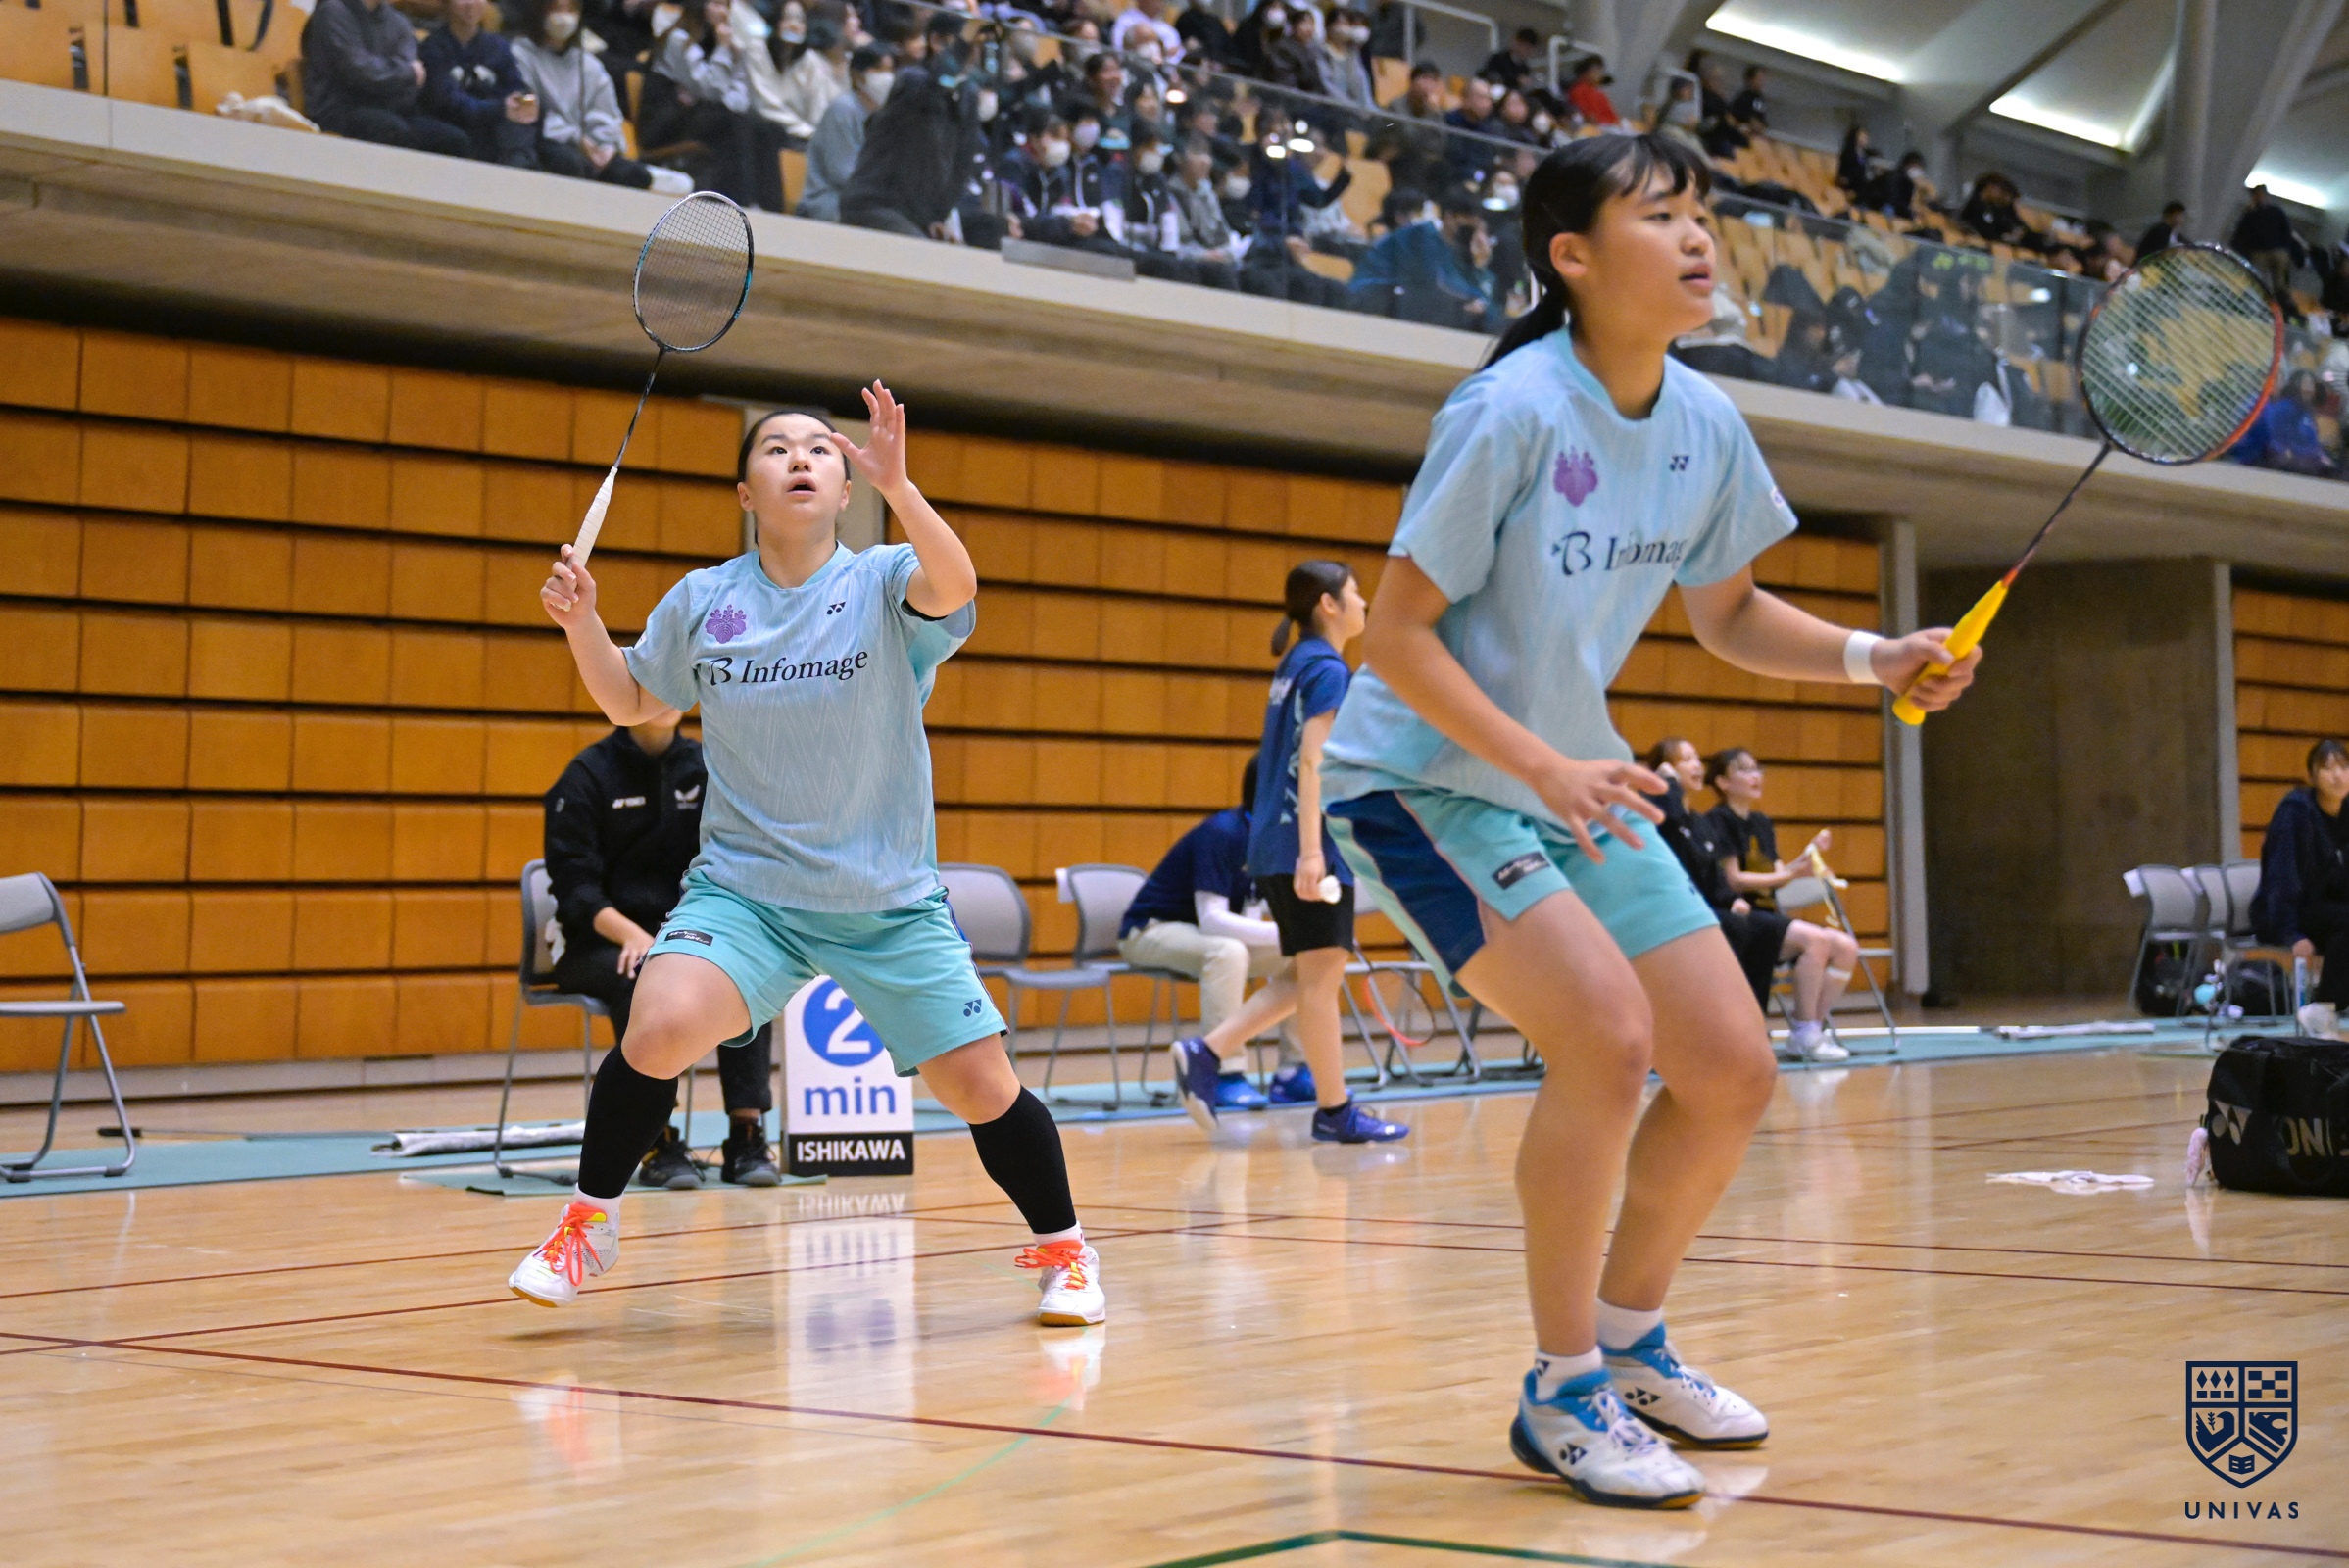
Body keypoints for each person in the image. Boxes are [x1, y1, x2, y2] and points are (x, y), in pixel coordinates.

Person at [1313, 133, 1978, 1507]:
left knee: (1730, 1067)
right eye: (1660, 214)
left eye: (1701, 214)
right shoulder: (1508, 411)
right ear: (1570, 256)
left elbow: (1728, 612)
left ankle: (1628, 1342)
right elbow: (1398, 637)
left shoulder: (1704, 422)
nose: (1696, 238)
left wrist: (1875, 657)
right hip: (1426, 783)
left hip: (1571, 782)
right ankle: (1560, 1390)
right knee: (1609, 1040)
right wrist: (1543, 764)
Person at [514, 390, 1107, 1329]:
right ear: (744, 493)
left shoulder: (884, 580)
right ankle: (589, 1223)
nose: (800, 458)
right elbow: (631, 700)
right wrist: (582, 622)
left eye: (820, 450)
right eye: (776, 448)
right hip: (747, 896)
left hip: (885, 900)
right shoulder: (705, 601)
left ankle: (1067, 1253)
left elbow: (957, 587)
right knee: (659, 1025)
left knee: (982, 1087)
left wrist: (902, 488)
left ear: (843, 488)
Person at [1173, 562, 1409, 1143]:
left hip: (1274, 840)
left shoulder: (1295, 665)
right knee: (1320, 977)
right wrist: (1312, 853)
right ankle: (1334, 1110)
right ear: (1328, 605)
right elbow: (1312, 760)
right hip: (1307, 843)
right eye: (1355, 594)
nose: (1364, 604)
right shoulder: (1327, 670)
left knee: (1313, 971)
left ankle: (1209, 1052)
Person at [545, 713, 780, 1188]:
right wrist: (632, 935)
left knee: (744, 973)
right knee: (640, 978)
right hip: (601, 940)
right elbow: (575, 888)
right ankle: (656, 1138)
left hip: (687, 931)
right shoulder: (587, 775)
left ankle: (746, 1132)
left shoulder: (707, 767)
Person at [1120, 768, 1303, 1121]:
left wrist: (1302, 935)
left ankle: (1293, 1073)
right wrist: (1283, 932)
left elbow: (1251, 910)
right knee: (1228, 952)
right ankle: (1223, 1072)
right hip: (1149, 932)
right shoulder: (1222, 833)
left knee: (1307, 958)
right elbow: (1213, 919)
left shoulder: (1273, 841)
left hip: (1204, 935)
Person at [1664, 742, 1857, 1062]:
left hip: (1770, 915)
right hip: (1741, 913)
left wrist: (1806, 861)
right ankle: (1805, 1033)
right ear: (1723, 782)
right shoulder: (1718, 821)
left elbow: (1779, 875)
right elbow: (1733, 880)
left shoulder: (1762, 823)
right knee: (1817, 942)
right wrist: (1792, 872)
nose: (1755, 776)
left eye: (1757, 769)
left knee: (1846, 948)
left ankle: (1810, 1028)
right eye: (1744, 770)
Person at [302, 0, 476, 155]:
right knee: (391, 129)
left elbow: (412, 76)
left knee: (454, 140)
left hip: (390, 107)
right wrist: (405, 73)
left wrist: (396, 75)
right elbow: (358, 71)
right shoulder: (333, 11)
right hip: (340, 108)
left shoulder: (397, 21)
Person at [514, 0, 657, 187]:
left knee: (636, 175)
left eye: (570, 10)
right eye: (557, 9)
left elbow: (607, 113)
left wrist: (603, 146)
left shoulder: (589, 64)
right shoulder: (521, 55)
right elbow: (530, 112)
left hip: (590, 146)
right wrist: (577, 140)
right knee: (570, 163)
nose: (564, 17)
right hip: (547, 139)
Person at [2252, 738, 2349, 1012]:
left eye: (2343, 767)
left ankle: (2330, 1004)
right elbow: (2281, 877)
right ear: (2312, 776)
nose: (2337, 775)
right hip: (2288, 913)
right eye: (2327, 768)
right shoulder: (2295, 812)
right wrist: (2291, 933)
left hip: (2331, 913)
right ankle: (2325, 1007)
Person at [1347, 186, 1495, 328]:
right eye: (1469, 225)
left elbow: (1483, 300)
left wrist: (1479, 268)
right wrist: (1474, 299)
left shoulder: (1455, 250)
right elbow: (1437, 285)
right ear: (1449, 218)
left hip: (1403, 301)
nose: (1473, 234)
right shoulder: (1420, 237)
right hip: (1372, 294)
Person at [419, 0, 541, 166]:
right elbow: (446, 100)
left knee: (523, 130)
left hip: (493, 122)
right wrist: (499, 108)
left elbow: (515, 88)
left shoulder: (498, 47)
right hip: (453, 121)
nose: (471, 3)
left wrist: (521, 104)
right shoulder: (433, 47)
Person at [797, 43, 894, 220]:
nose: (887, 78)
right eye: (879, 70)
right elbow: (842, 173)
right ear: (857, 76)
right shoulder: (843, 110)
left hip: (864, 200)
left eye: (890, 71)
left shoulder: (884, 115)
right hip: (828, 199)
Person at [2231, 186, 2306, 313]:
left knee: (2276, 283)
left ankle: (2281, 309)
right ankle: (2266, 306)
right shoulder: (2255, 214)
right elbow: (2287, 231)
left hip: (2272, 250)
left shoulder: (2265, 213)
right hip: (2267, 251)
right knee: (2260, 280)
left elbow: (2286, 231)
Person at [1565, 55, 1618, 129]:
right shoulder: (1577, 91)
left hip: (1606, 127)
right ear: (1585, 72)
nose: (1599, 75)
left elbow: (1613, 117)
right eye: (1596, 71)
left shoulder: (1599, 94)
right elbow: (1587, 117)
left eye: (1600, 71)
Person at [1481, 26, 1541, 92]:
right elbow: (1492, 78)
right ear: (1516, 42)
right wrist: (1515, 81)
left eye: (1529, 48)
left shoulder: (1525, 68)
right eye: (1525, 46)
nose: (1526, 51)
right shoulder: (1498, 59)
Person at [1727, 64, 1765, 133]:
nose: (1761, 82)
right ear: (1751, 80)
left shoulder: (1759, 98)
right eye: (1759, 79)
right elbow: (1735, 115)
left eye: (1762, 79)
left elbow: (1760, 115)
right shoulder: (1743, 98)